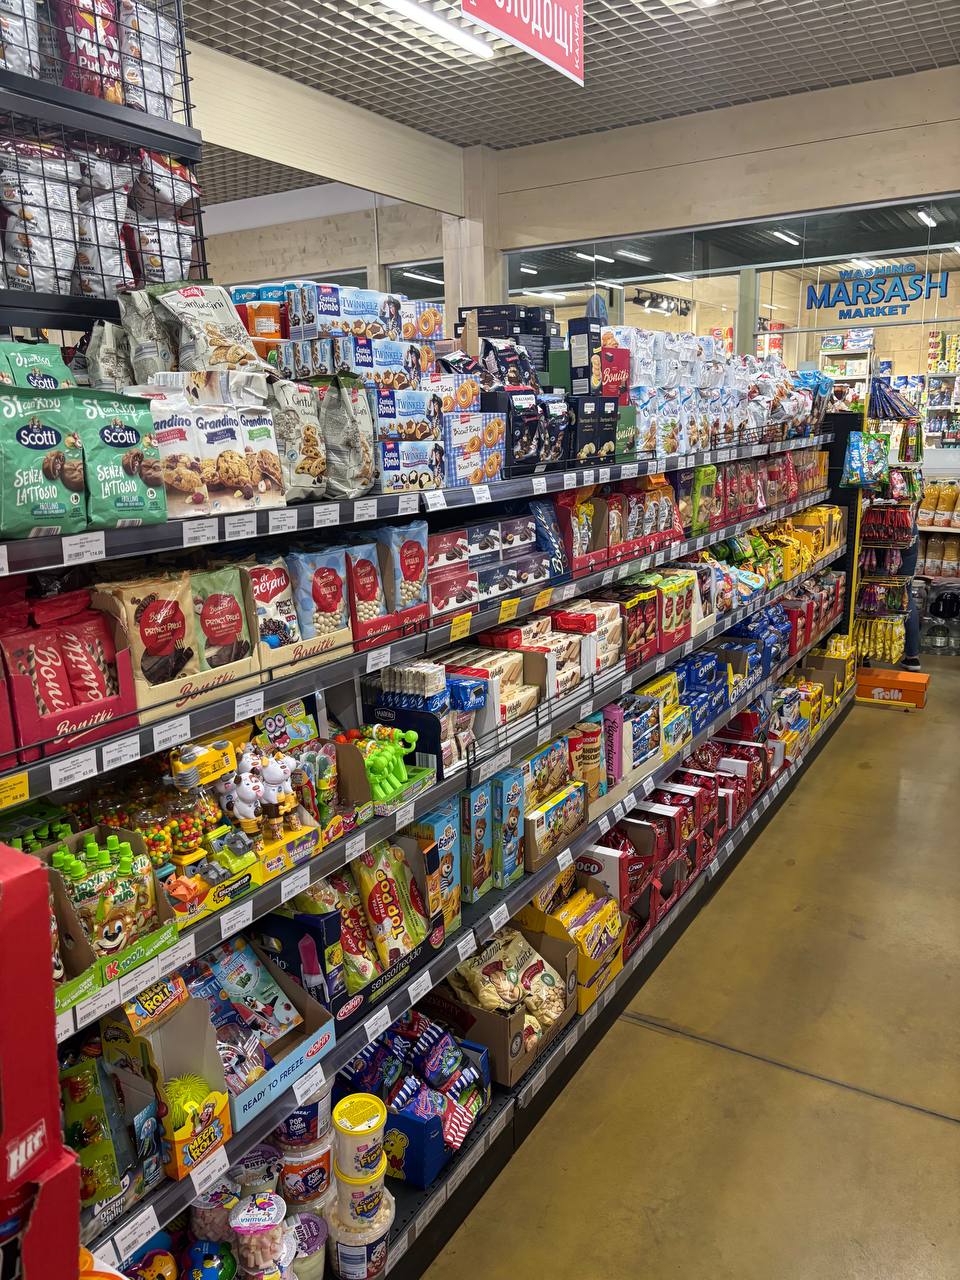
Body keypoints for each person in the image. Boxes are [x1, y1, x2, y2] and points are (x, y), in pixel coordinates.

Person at [900, 518, 922, 671]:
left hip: (879, 529)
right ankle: (912, 657)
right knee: (905, 592)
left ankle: (864, 656)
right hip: (908, 525)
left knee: (871, 589)